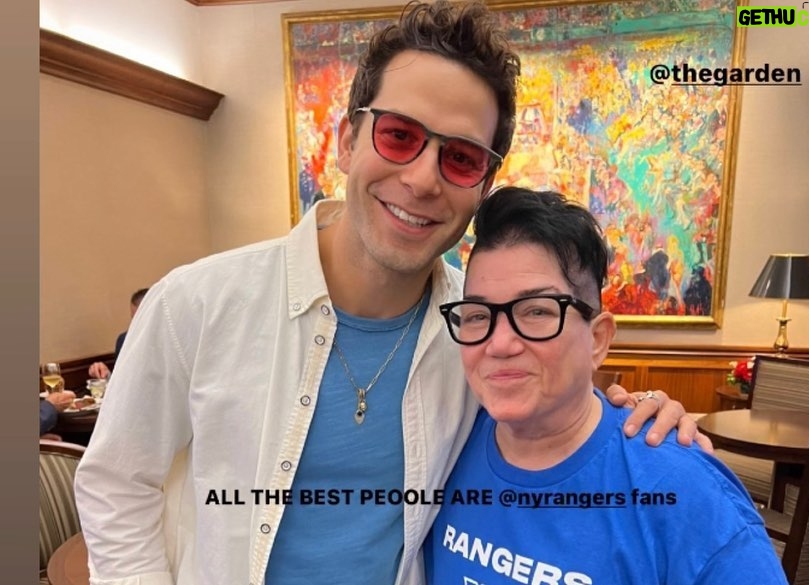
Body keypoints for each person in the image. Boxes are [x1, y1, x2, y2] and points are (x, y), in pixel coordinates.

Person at [74, 3, 707, 584]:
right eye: (399, 135)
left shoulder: (481, 331)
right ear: (348, 141)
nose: (423, 179)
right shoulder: (196, 304)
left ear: (483, 186)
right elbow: (115, 485)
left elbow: (555, 408)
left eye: (460, 158)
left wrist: (639, 414)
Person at [426, 187, 786, 584]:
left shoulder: (686, 496)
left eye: (537, 312)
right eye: (478, 315)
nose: (500, 343)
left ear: (598, 339)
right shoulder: (447, 444)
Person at [87, 287, 149, 379]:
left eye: (141, 320)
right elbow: (122, 383)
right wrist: (106, 375)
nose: (135, 326)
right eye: (133, 320)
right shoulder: (124, 340)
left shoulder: (171, 346)